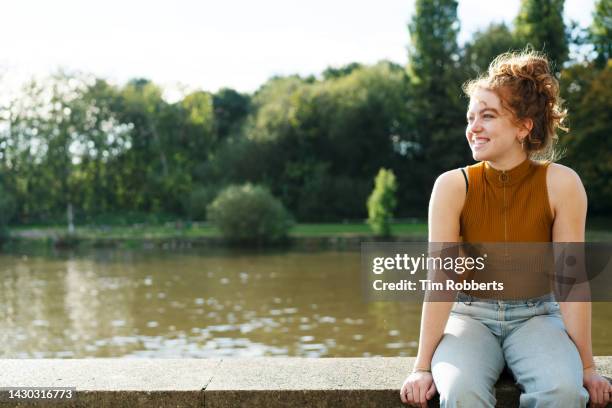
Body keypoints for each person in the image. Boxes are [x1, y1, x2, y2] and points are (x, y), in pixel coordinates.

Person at [399, 50, 612, 407]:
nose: (473, 127)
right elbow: (442, 279)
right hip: (469, 318)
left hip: (538, 318)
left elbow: (571, 280)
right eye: (470, 117)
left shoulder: (563, 184)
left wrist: (587, 366)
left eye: (488, 115)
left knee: (562, 391)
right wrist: (422, 366)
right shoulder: (451, 186)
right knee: (461, 391)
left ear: (523, 126)